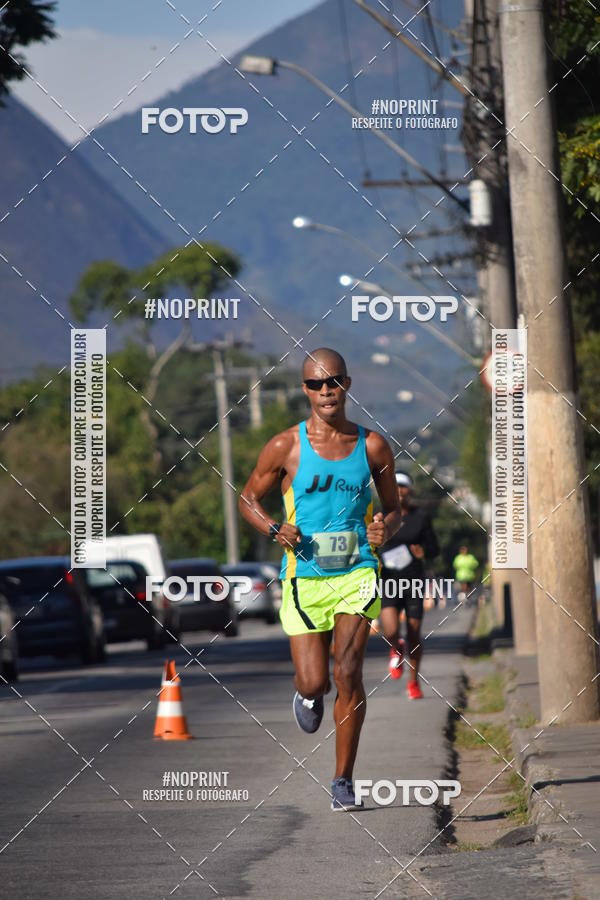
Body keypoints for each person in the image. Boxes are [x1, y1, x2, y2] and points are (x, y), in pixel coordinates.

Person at [239, 348, 404, 811]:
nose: (326, 391)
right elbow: (248, 498)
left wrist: (384, 529)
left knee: (347, 672)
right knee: (315, 682)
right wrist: (274, 528)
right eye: (316, 383)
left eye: (333, 382)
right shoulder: (285, 447)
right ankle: (308, 695)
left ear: (347, 384)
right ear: (305, 389)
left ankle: (343, 780)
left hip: (357, 571)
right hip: (304, 578)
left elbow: (394, 509)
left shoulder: (373, 446)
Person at [379, 473, 439, 700]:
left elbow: (434, 548)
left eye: (403, 486)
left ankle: (413, 682)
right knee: (390, 630)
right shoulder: (381, 516)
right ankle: (396, 646)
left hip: (413, 580)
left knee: (414, 633)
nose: (400, 491)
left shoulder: (420, 517)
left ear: (410, 491)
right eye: (395, 486)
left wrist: (424, 551)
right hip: (388, 580)